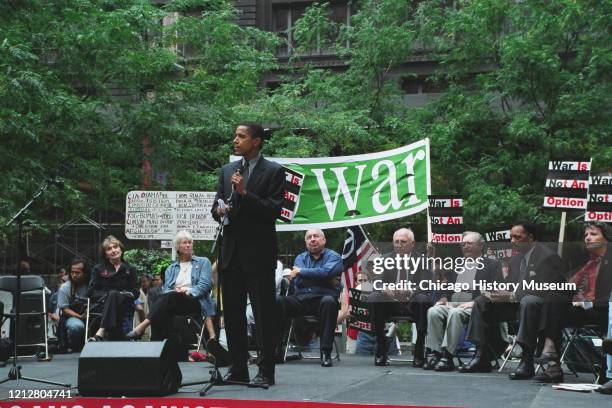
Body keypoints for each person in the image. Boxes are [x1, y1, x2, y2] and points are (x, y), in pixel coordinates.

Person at [211, 122, 285, 386]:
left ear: (256, 141)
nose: (235, 140)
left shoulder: (274, 172)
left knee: (264, 315)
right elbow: (216, 205)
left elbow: (273, 210)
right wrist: (219, 210)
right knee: (232, 314)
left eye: (241, 137)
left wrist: (245, 193)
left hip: (259, 254)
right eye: (235, 136)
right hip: (231, 253)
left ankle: (266, 371)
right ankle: (238, 368)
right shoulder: (228, 170)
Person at [460, 222, 566, 378]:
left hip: (540, 307)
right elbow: (508, 285)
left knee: (528, 301)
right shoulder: (516, 260)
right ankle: (482, 355)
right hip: (514, 305)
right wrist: (496, 293)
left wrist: (512, 295)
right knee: (482, 301)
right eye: (511, 237)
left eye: (517, 237)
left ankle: (526, 360)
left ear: (530, 237)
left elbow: (546, 288)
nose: (512, 241)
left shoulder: (547, 256)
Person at [534, 222, 611, 383]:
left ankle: (551, 356)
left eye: (593, 234)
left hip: (605, 312)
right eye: (586, 235)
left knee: (553, 305)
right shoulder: (587, 263)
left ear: (607, 238)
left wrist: (588, 303)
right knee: (552, 300)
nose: (588, 238)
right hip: (582, 309)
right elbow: (567, 287)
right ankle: (552, 360)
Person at [425, 231, 502, 371]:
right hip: (453, 302)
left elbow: (494, 290)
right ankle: (434, 354)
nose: (466, 246)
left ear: (480, 245)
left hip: (475, 304)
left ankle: (447, 357)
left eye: (470, 243)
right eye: (463, 244)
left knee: (455, 313)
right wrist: (443, 298)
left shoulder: (493, 265)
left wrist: (475, 302)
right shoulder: (456, 264)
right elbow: (447, 287)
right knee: (433, 311)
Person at [127, 230, 214, 344]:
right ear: (177, 246)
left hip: (195, 302)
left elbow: (205, 285)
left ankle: (142, 327)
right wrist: (176, 291)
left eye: (190, 242)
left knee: (166, 301)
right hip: (175, 303)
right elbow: (167, 290)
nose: (188, 245)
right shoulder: (171, 268)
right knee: (168, 298)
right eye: (184, 243)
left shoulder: (203, 262)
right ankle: (156, 350)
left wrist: (188, 291)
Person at [277, 229, 343, 367]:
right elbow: (299, 282)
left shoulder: (334, 256)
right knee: (278, 300)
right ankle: (278, 349)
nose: (312, 239)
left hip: (323, 300)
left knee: (329, 302)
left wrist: (302, 272)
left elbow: (327, 272)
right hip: (301, 299)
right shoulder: (300, 257)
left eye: (316, 236)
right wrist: (324, 278)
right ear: (306, 242)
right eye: (309, 237)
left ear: (323, 240)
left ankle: (325, 352)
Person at [368, 228, 432, 367]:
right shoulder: (384, 259)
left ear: (412, 243)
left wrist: (409, 290)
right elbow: (376, 282)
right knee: (374, 297)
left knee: (422, 299)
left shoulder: (422, 260)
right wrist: (384, 288)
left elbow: (426, 285)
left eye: (403, 242)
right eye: (396, 242)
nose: (399, 245)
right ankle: (381, 346)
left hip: (412, 303)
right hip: (391, 303)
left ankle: (420, 349)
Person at [87, 235, 139, 341]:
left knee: (115, 294)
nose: (113, 250)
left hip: (124, 305)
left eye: (115, 247)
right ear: (106, 255)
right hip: (102, 304)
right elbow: (91, 292)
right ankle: (104, 331)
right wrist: (109, 295)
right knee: (113, 294)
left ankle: (101, 331)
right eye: (109, 249)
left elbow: (135, 292)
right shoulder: (98, 268)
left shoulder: (130, 269)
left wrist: (121, 295)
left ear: (121, 249)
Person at [56, 258, 89, 351]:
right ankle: (74, 347)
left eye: (78, 272)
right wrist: (80, 316)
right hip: (73, 317)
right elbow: (65, 309)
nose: (74, 275)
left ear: (85, 273)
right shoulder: (65, 287)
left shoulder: (91, 285)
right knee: (76, 327)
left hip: (91, 316)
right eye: (72, 272)